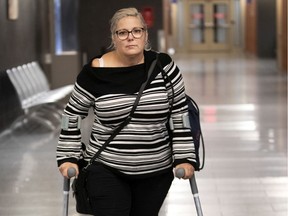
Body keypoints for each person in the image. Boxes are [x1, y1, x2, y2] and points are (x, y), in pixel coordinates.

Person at [57, 7, 197, 216]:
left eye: (137, 31)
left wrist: (184, 157)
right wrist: (68, 156)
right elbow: (72, 115)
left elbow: (179, 115)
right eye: (123, 33)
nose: (130, 37)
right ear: (114, 37)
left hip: (155, 170)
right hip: (106, 166)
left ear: (145, 34)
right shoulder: (95, 72)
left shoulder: (164, 67)